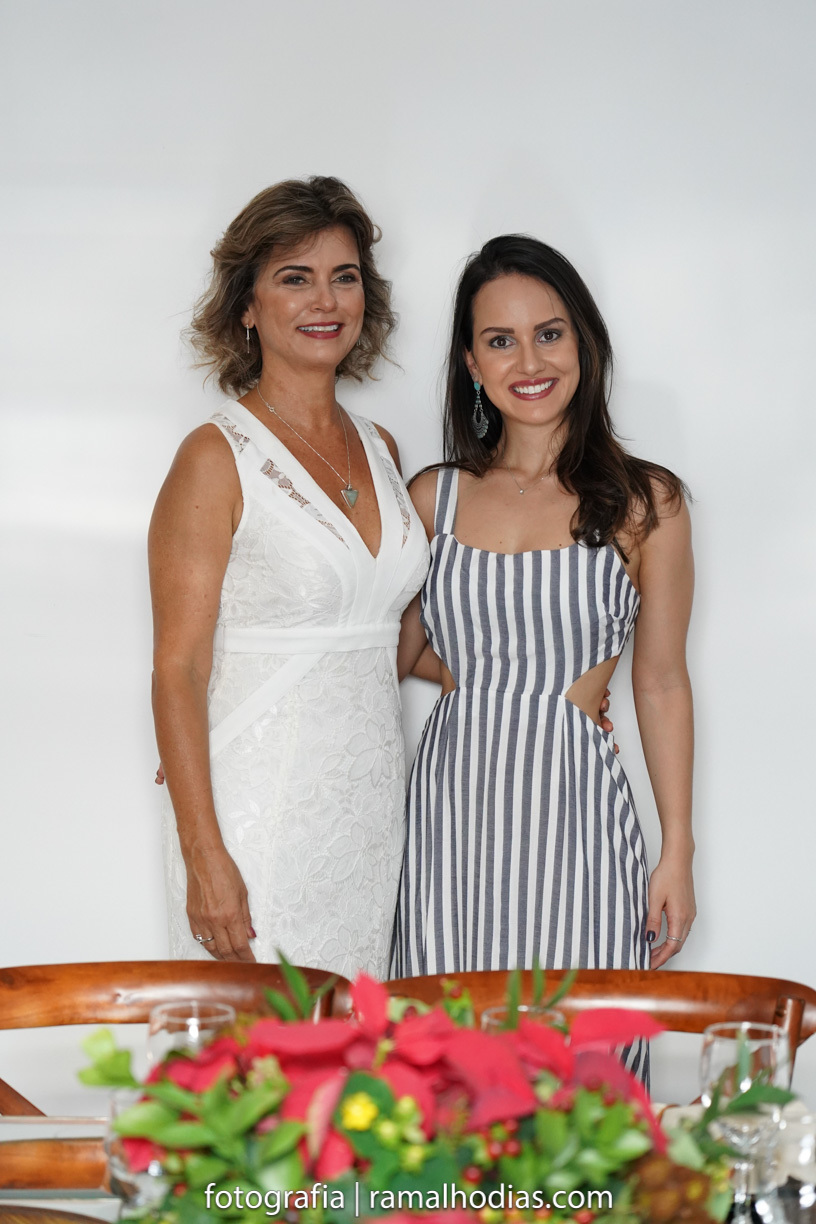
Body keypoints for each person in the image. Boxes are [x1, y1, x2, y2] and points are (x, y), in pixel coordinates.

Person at [393, 236, 695, 1006]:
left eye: (549, 333)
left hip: (574, 808)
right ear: (471, 363)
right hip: (450, 814)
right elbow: (381, 650)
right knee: (442, 1041)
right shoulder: (433, 498)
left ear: (583, 343)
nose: (529, 361)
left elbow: (661, 682)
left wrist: (677, 851)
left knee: (570, 1042)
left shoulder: (646, 503)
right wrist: (478, 680)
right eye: (501, 341)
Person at [149, 177, 429, 977]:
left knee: (350, 1039)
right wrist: (203, 852)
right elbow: (177, 667)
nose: (325, 300)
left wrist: (536, 685)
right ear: (247, 305)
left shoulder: (382, 449)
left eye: (345, 277)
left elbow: (378, 639)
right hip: (256, 804)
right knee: (251, 1042)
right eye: (295, 278)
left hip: (370, 810)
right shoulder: (215, 457)